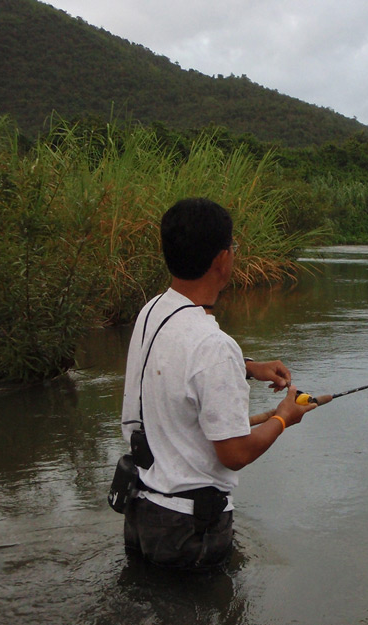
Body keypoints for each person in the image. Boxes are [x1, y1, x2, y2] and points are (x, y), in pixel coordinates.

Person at [120, 197, 316, 571]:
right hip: (190, 531)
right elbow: (235, 454)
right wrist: (283, 418)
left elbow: (180, 364)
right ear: (222, 260)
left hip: (141, 511)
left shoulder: (153, 310)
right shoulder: (214, 347)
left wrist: (249, 367)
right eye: (233, 248)